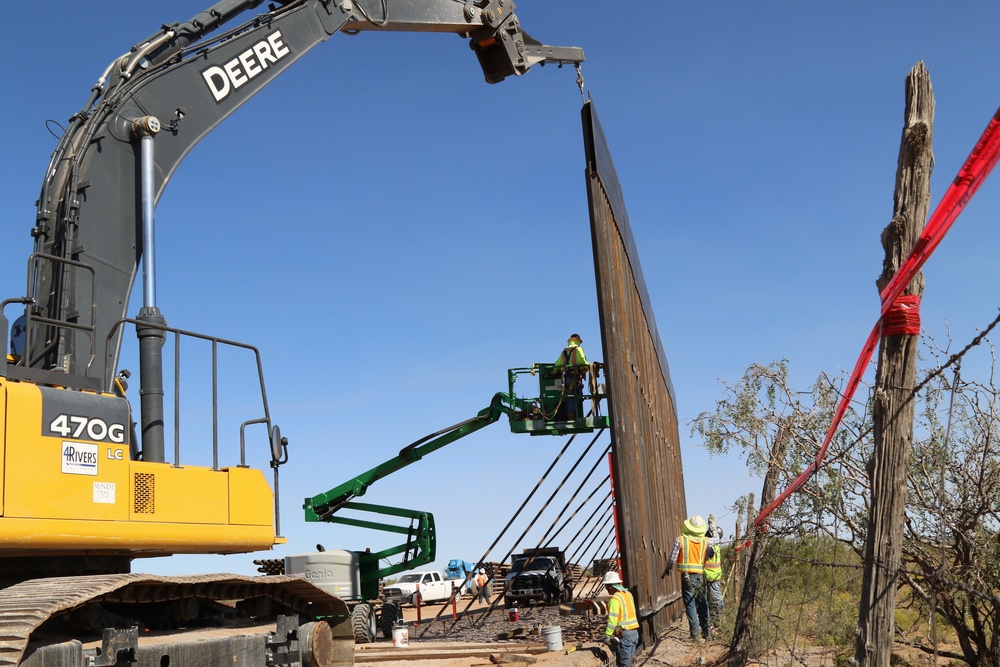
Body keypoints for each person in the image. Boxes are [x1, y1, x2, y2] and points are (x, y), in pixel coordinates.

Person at [666, 514, 711, 641]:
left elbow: (672, 559)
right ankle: (707, 633)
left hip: (687, 577)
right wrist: (712, 527)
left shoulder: (680, 540)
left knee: (690, 605)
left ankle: (695, 635)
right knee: (703, 604)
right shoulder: (706, 541)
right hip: (700, 577)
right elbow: (716, 540)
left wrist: (668, 569)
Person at [600, 570, 640, 667]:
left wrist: (607, 636)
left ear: (610, 586)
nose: (606, 589)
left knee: (624, 664)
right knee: (630, 662)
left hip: (625, 635)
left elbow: (612, 621)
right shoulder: (628, 594)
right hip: (634, 633)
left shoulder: (615, 599)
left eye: (606, 587)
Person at [553, 333, 589, 421]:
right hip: (574, 376)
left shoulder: (564, 352)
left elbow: (557, 365)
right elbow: (582, 361)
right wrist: (588, 367)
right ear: (578, 341)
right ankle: (572, 415)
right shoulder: (578, 349)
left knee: (570, 396)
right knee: (574, 395)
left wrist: (552, 372)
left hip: (565, 377)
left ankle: (570, 414)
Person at [704, 514, 725, 630]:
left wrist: (711, 526)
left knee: (714, 601)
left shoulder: (710, 548)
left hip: (710, 578)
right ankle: (716, 621)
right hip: (714, 577)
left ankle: (718, 622)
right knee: (714, 601)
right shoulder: (717, 546)